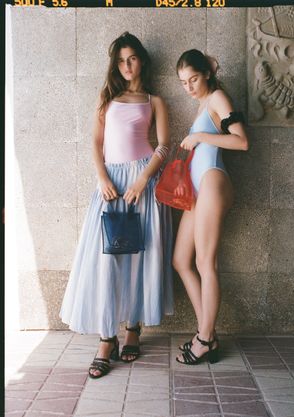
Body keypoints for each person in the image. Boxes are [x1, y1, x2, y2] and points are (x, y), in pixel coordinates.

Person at [60, 32, 173, 378]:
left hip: (143, 183)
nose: (126, 65)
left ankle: (133, 330)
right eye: (121, 59)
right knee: (105, 260)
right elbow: (95, 143)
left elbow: (165, 145)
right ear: (115, 63)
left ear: (142, 60)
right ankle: (105, 340)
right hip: (110, 185)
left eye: (132, 58)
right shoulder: (106, 98)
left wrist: (143, 180)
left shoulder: (155, 100)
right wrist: (102, 178)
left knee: (140, 257)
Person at [173, 49, 249, 365]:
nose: (189, 87)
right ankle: (209, 334)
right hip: (199, 189)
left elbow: (242, 141)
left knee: (206, 262)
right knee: (181, 260)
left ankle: (204, 339)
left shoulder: (217, 97)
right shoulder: (204, 104)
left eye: (193, 79)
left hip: (214, 182)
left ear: (206, 73)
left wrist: (201, 135)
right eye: (183, 82)